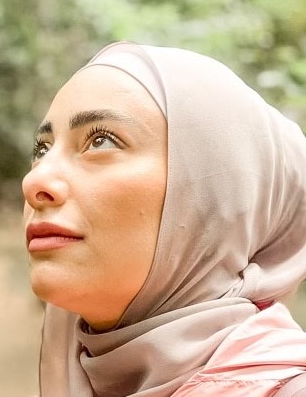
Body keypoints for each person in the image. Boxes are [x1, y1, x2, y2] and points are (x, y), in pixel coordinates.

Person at [22, 41, 306, 396]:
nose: (34, 181)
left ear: (212, 198)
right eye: (42, 149)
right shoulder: (68, 367)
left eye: (101, 141)